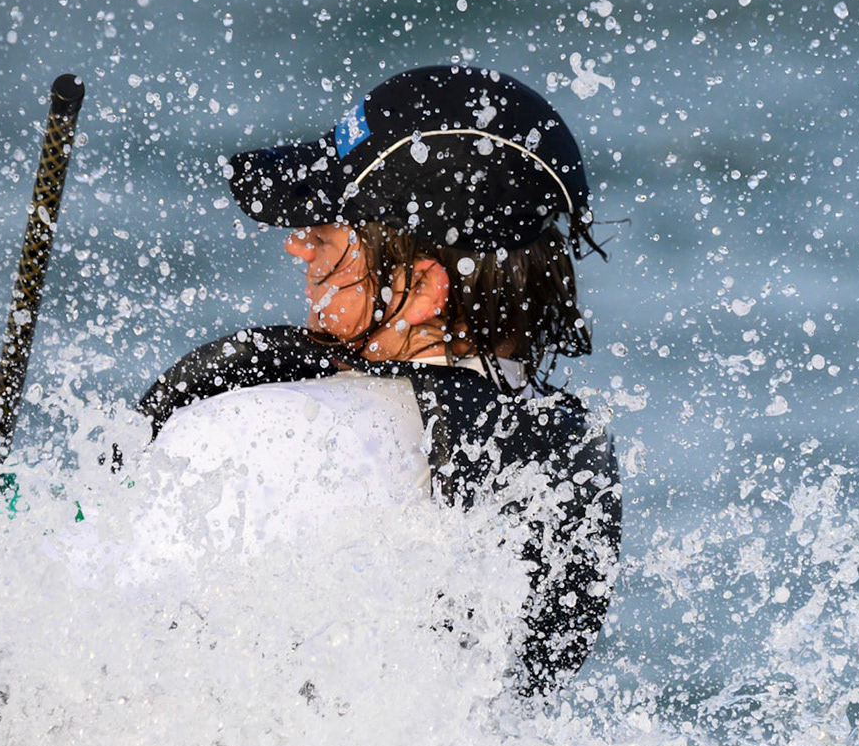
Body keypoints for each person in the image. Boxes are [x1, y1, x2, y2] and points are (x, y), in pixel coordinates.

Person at [137, 65, 620, 694]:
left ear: (419, 289)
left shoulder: (257, 434)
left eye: (326, 231)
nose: (298, 246)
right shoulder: (566, 452)